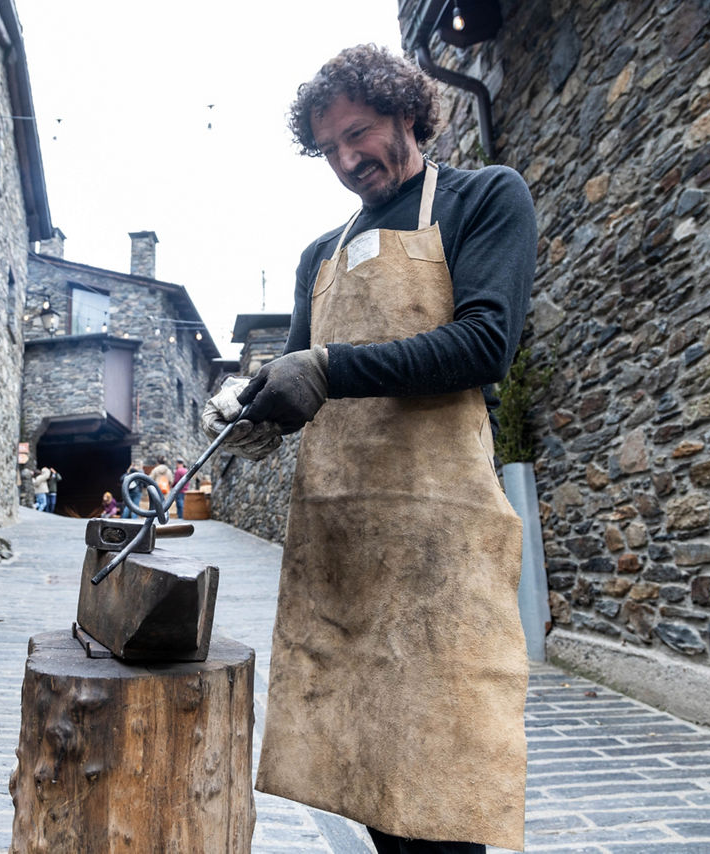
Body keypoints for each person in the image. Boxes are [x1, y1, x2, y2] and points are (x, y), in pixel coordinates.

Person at [201, 45, 535, 854]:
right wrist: (252, 413)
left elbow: (484, 344)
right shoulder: (320, 254)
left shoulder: (483, 198)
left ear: (406, 114)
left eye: (361, 134)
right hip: (340, 544)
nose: (349, 161)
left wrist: (325, 367)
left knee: (441, 782)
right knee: (362, 771)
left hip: (438, 539)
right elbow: (302, 380)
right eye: (329, 150)